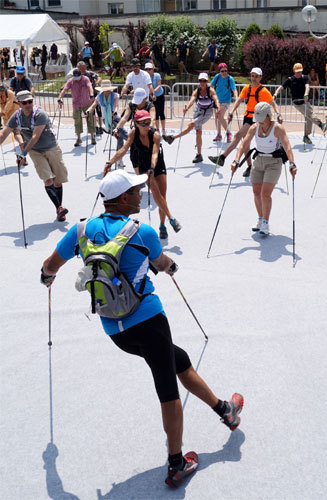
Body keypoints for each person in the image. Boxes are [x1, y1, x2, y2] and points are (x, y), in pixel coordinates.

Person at [39, 169, 243, 488]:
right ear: (122, 199)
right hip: (148, 320)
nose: (140, 194)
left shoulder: (80, 230)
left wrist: (46, 278)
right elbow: (161, 263)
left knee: (179, 359)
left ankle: (224, 409)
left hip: (116, 331)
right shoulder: (142, 232)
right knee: (167, 388)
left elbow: (50, 267)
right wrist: (170, 266)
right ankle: (176, 464)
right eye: (136, 191)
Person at [105, 110, 181, 240]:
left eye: (148, 122)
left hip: (157, 164)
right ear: (136, 123)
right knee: (155, 191)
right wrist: (110, 162)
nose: (147, 125)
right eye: (143, 123)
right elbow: (123, 149)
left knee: (162, 196)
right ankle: (171, 218)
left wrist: (152, 168)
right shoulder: (133, 133)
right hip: (143, 166)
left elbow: (155, 153)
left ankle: (162, 224)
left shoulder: (155, 135)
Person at [0, 91, 69, 221]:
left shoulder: (40, 114)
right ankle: (59, 208)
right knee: (48, 179)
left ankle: (59, 208)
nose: (28, 105)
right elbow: (4, 134)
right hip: (35, 151)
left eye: (30, 101)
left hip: (51, 148)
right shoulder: (16, 117)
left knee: (58, 181)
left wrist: (22, 154)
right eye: (24, 102)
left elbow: (35, 137)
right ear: (18, 104)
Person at [231, 102, 296, 236]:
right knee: (256, 192)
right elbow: (244, 144)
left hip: (274, 162)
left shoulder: (278, 128)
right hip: (258, 161)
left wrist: (292, 164)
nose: (259, 122)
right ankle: (260, 219)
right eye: (258, 119)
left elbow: (287, 146)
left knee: (265, 194)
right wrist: (236, 160)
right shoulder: (254, 127)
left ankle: (266, 223)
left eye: (262, 119)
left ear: (268, 115)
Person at [208, 67, 281, 178]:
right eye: (252, 76)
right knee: (245, 143)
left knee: (238, 136)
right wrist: (232, 111)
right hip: (247, 117)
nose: (254, 78)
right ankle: (250, 167)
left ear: (260, 77)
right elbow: (239, 100)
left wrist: (278, 113)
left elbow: (273, 103)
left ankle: (222, 157)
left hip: (257, 119)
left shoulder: (264, 91)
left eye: (256, 76)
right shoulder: (247, 88)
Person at [165, 73, 220, 164]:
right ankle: (199, 155)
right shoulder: (196, 91)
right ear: (198, 81)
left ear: (207, 82)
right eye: (200, 81)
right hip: (197, 110)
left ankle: (173, 137)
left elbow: (216, 99)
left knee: (191, 125)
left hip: (207, 112)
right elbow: (191, 101)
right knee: (198, 133)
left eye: (204, 81)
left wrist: (218, 107)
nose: (202, 82)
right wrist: (187, 108)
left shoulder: (210, 90)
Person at [273, 63, 323, 145]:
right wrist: (275, 94)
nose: (298, 73)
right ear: (294, 71)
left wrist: (306, 94)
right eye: (297, 72)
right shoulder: (290, 80)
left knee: (308, 118)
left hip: (305, 101)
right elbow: (281, 87)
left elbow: (307, 86)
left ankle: (306, 136)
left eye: (300, 72)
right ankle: (321, 124)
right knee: (309, 114)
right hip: (297, 102)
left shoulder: (305, 78)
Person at [86, 80, 124, 167]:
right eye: (105, 89)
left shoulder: (115, 95)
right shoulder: (99, 96)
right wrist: (88, 111)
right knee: (120, 137)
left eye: (108, 89)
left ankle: (119, 158)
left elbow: (115, 106)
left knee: (121, 136)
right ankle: (119, 158)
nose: (107, 91)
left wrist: (114, 113)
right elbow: (93, 106)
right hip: (106, 120)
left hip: (116, 119)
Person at [57, 68, 96, 147]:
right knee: (77, 121)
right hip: (76, 104)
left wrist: (91, 95)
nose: (76, 79)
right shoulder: (71, 81)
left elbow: (90, 87)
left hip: (86, 103)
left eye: (78, 77)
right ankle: (79, 138)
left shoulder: (85, 79)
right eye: (75, 77)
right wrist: (59, 98)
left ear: (80, 75)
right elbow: (64, 90)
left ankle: (92, 137)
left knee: (90, 120)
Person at [210, 63, 237, 142]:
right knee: (216, 117)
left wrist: (236, 97)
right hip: (217, 101)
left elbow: (234, 89)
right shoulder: (217, 77)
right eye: (222, 71)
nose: (224, 73)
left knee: (220, 116)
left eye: (226, 71)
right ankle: (219, 135)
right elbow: (211, 86)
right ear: (219, 71)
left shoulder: (230, 79)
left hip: (226, 101)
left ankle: (228, 133)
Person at [77, 61, 103, 135]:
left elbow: (99, 78)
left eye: (83, 67)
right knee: (92, 113)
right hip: (86, 97)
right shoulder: (78, 76)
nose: (82, 69)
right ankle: (96, 127)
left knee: (99, 112)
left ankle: (101, 127)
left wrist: (97, 83)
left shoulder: (90, 73)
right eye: (80, 68)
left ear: (85, 67)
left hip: (95, 95)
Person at [145, 62, 167, 140]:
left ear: (153, 69)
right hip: (152, 96)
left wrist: (153, 92)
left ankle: (164, 130)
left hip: (159, 95)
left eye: (150, 69)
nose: (148, 71)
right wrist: (151, 95)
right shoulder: (145, 77)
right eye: (146, 69)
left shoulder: (157, 75)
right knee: (156, 113)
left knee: (161, 113)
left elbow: (159, 85)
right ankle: (157, 130)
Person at [0, 84, 24, 152]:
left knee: (15, 131)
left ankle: (21, 143)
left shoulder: (10, 93)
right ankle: (22, 142)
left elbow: (9, 104)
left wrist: (2, 113)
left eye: (2, 90)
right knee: (14, 131)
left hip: (14, 114)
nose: (1, 92)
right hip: (6, 116)